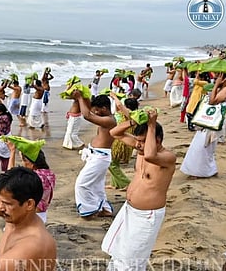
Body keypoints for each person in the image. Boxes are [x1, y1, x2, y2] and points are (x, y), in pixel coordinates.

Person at [102, 110, 176, 270]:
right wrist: (133, 121)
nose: (138, 145)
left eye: (142, 141)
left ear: (157, 140)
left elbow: (150, 155)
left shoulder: (167, 158)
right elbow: (114, 132)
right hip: (129, 210)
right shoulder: (142, 149)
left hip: (146, 216)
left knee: (132, 258)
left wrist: (151, 124)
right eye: (137, 140)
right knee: (118, 251)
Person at [72, 92, 116, 218]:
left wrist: (80, 98)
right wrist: (83, 97)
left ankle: (89, 210)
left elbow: (87, 115)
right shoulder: (106, 119)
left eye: (97, 110)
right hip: (97, 156)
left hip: (100, 158)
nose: (95, 112)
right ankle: (105, 209)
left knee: (81, 184)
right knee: (97, 186)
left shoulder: (109, 120)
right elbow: (89, 112)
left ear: (104, 108)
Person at [7, 141, 56, 223]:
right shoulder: (49, 174)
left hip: (31, 216)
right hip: (42, 214)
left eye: (24, 161)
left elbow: (9, 177)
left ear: (32, 164)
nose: (23, 164)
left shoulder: (33, 178)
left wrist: (12, 152)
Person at [107, 95, 139, 190]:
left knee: (111, 163)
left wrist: (114, 96)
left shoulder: (130, 114)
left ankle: (127, 183)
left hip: (122, 140)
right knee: (114, 162)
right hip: (122, 139)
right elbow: (119, 107)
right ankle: (115, 184)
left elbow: (120, 105)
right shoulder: (134, 114)